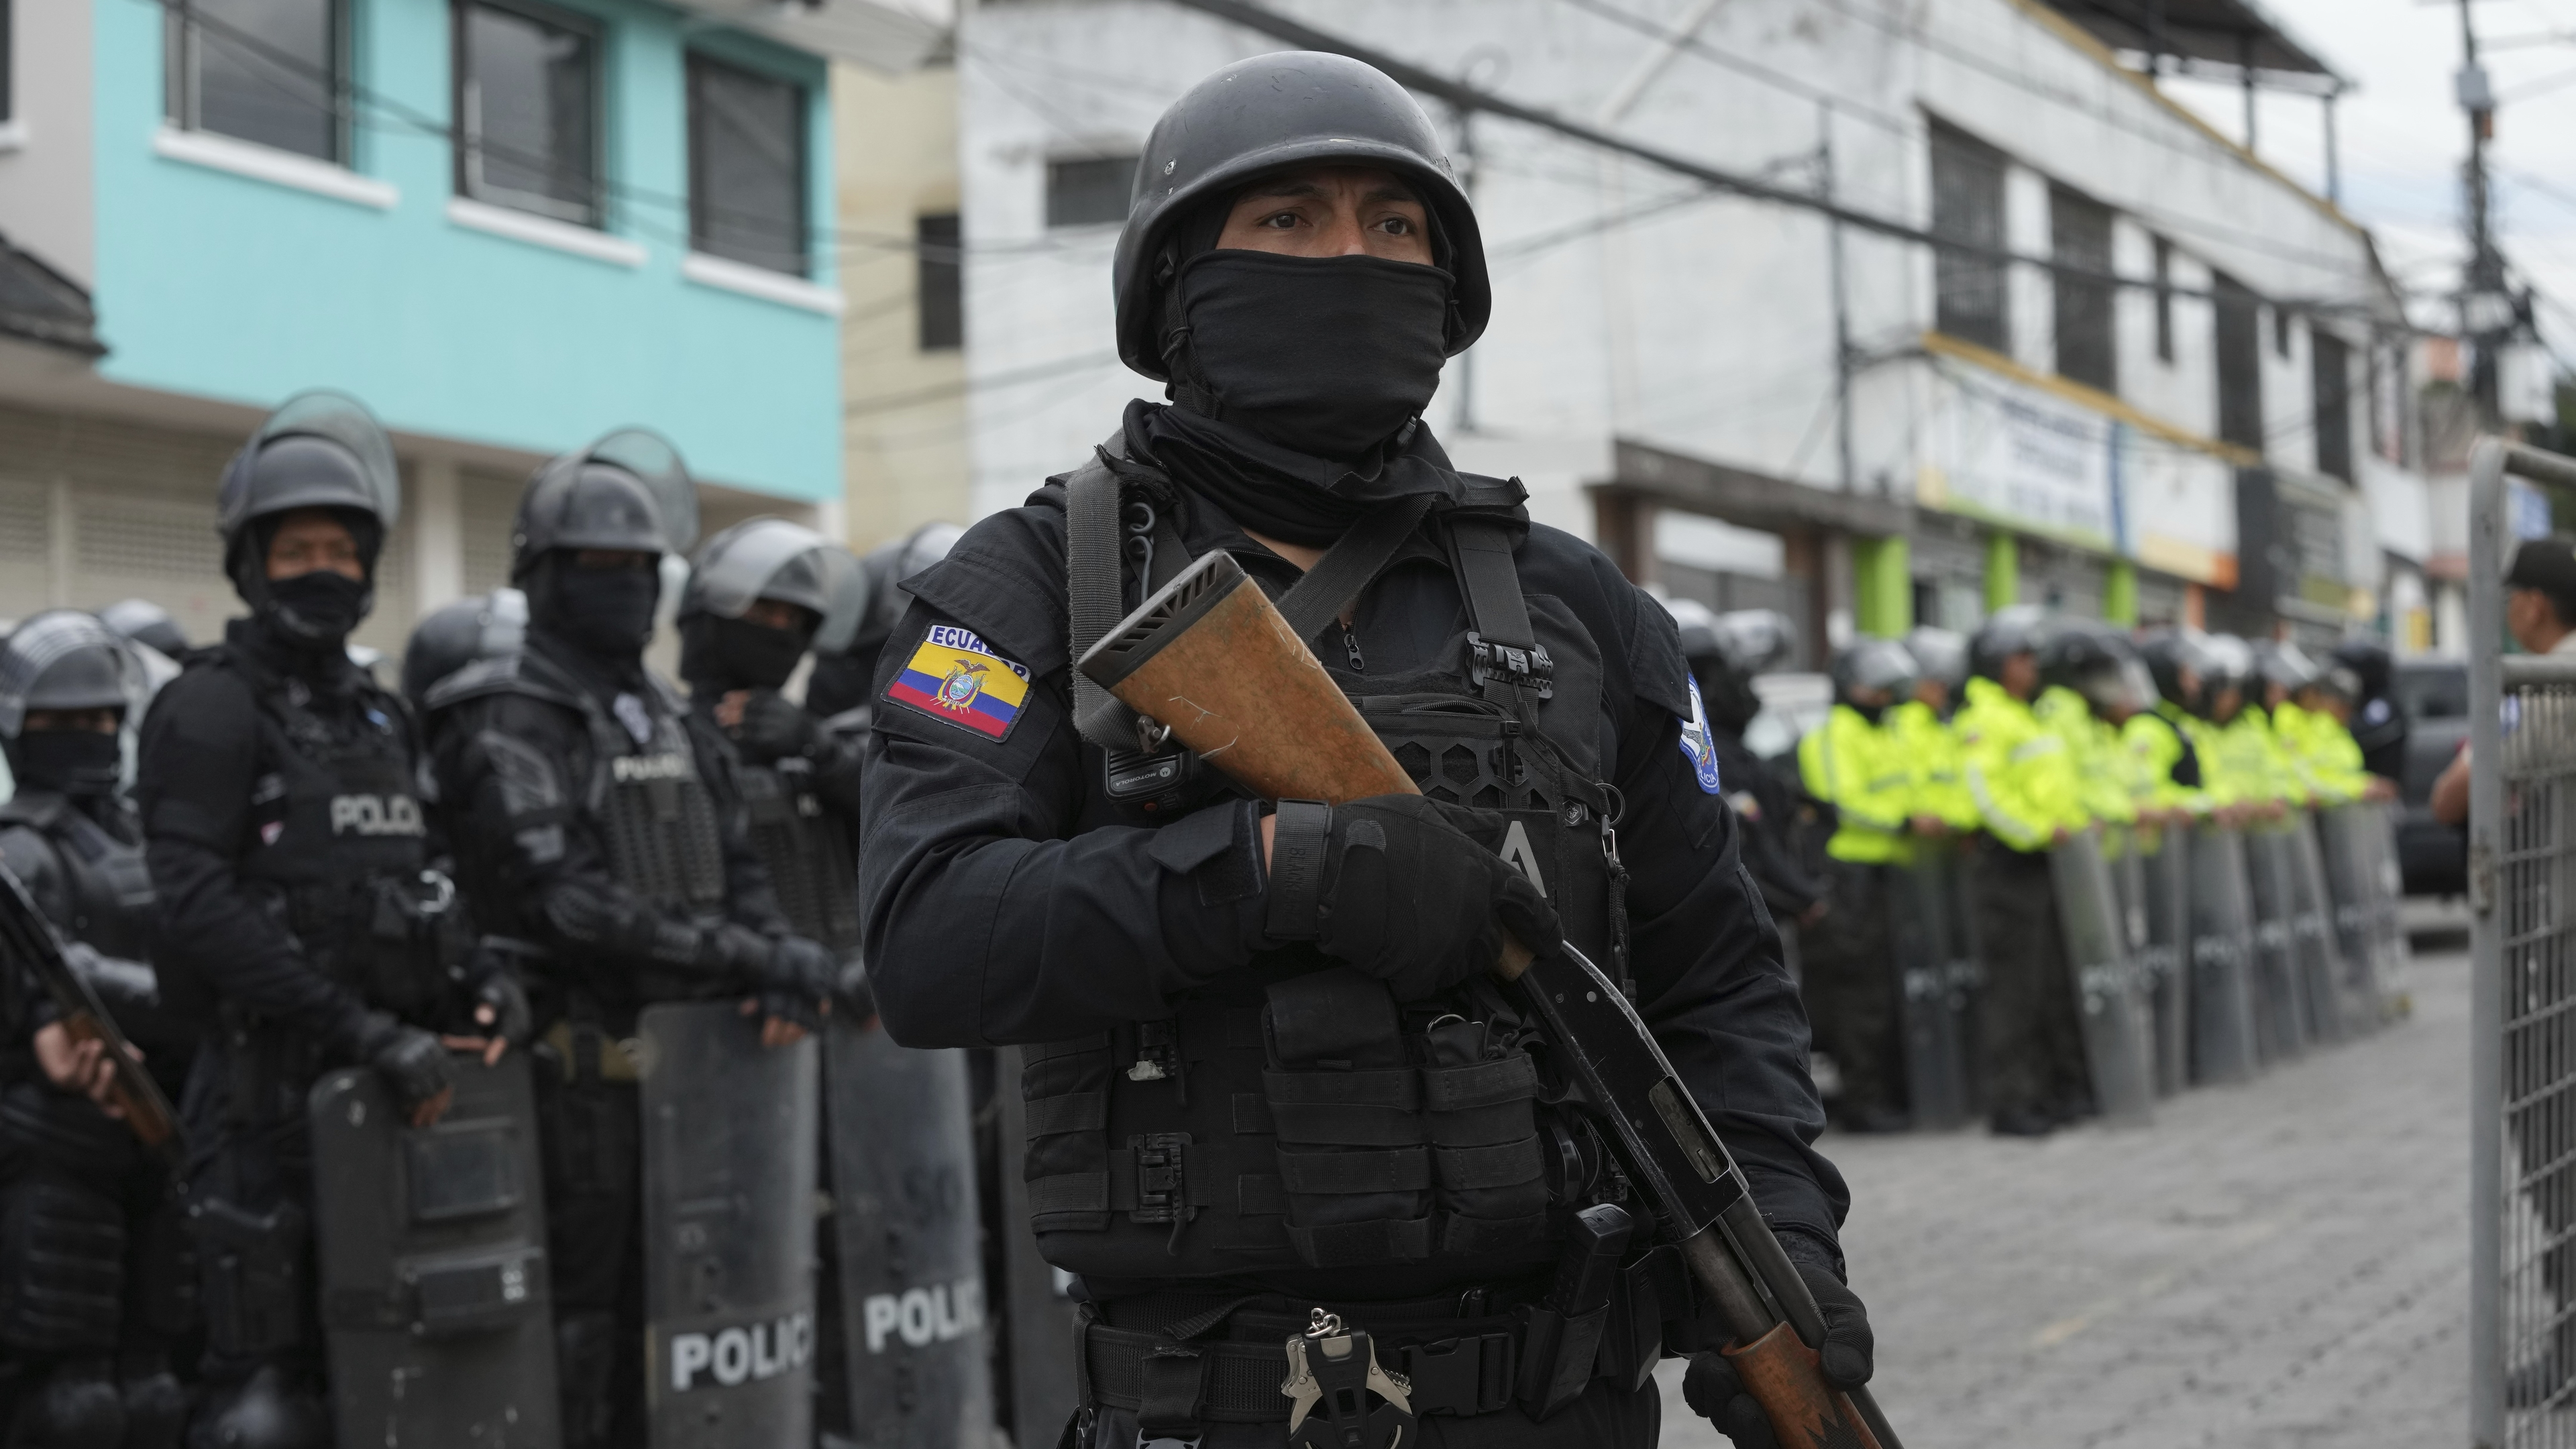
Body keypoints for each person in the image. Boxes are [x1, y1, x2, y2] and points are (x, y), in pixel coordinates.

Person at [857, 52, 1863, 1449]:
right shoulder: (1037, 584)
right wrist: (1270, 871)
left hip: (1563, 1402)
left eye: (1395, 228)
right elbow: (928, 938)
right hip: (1215, 1410)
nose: (1352, 255)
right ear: (1174, 293)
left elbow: (1719, 986)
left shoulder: (1583, 609)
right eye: (1289, 220)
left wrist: (1785, 1252)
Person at [423, 431, 837, 1449]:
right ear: (542, 575)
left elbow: (738, 862)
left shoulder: (661, 714)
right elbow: (565, 906)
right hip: (574, 1084)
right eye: (595, 567)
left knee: (701, 1310)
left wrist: (782, 963)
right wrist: (752, 959)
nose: (622, 585)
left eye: (638, 567)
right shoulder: (509, 714)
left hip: (703, 1081)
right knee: (583, 1327)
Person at [133, 393, 511, 1448]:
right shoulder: (211, 705)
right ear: (249, 563)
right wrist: (362, 1032)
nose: (321, 568)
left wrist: (481, 981)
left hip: (393, 1100)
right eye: (295, 548)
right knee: (266, 1405)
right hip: (263, 1109)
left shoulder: (378, 711)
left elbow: (425, 871)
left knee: (408, 1381)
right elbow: (196, 903)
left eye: (341, 549)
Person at [0, 612, 194, 1449]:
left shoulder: (143, 839)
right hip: (54, 1153)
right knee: (72, 1404)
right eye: (61, 724)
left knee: (158, 1389)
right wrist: (45, 1021)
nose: (87, 738)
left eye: (100, 720)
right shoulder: (22, 853)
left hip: (162, 1143)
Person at [1951, 607, 2092, 1136]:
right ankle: (2013, 1103)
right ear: (1995, 663)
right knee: (2015, 989)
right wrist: (2037, 830)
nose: (2032, 665)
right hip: (2010, 864)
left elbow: (2057, 789)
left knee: (2050, 983)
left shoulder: (2026, 714)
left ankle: (2051, 1092)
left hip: (2043, 863)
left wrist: (2073, 823)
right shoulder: (1984, 719)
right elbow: (1988, 797)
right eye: (2021, 656)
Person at [1796, 639, 1921, 1132]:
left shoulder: (1883, 732)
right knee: (1858, 994)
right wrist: (1906, 821)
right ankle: (1863, 1099)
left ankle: (1887, 1091)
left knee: (1885, 989)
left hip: (1888, 875)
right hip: (1848, 878)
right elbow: (1845, 802)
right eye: (1876, 687)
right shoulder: (1831, 736)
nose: (1885, 696)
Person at [1667, 602, 1827, 929]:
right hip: (1741, 919)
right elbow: (1748, 837)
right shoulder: (1701, 751)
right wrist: (1803, 896)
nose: (1740, 688)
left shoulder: (1723, 750)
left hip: (1755, 914)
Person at [2433, 534, 2576, 824]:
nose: (2508, 610)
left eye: (2512, 598)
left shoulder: (2544, 685)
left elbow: (2449, 800)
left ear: (2534, 606)